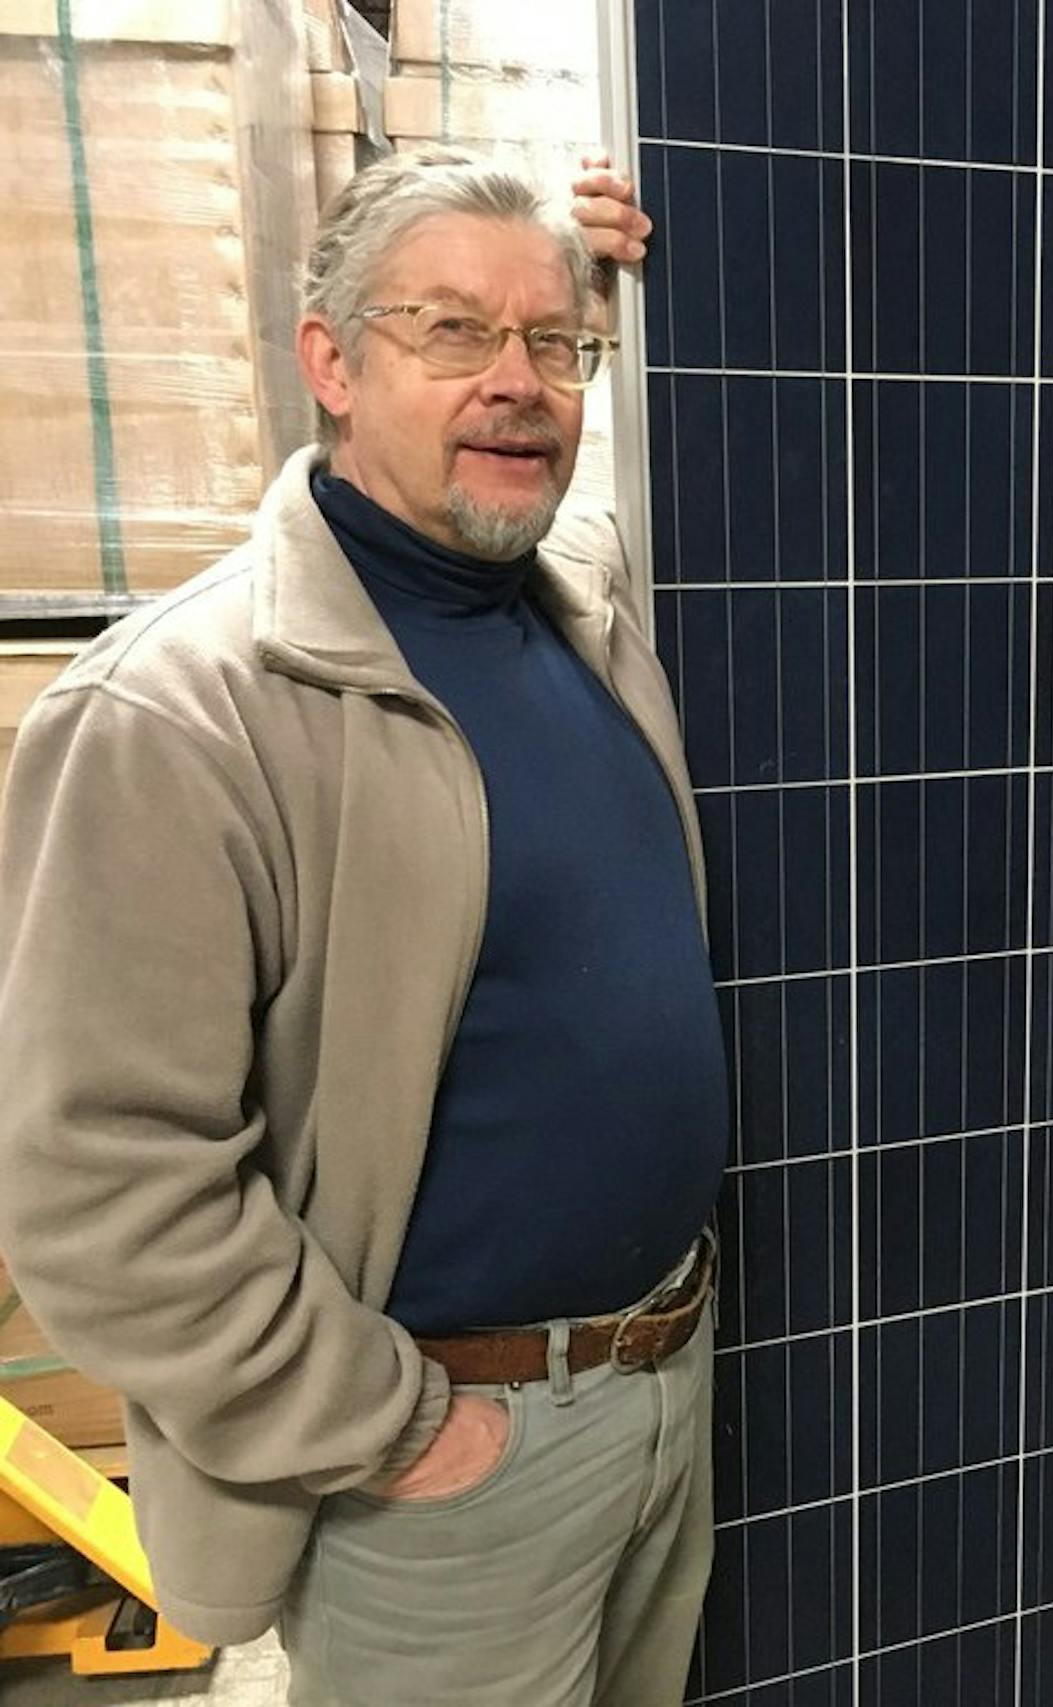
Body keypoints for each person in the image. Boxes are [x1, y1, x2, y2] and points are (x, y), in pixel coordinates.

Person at [0, 148, 720, 1706]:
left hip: (669, 1394)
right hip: (443, 1471)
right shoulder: (174, 715)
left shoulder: (585, 616)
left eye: (552, 343)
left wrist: (693, 257)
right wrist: (395, 1429)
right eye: (451, 332)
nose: (516, 383)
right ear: (329, 361)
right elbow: (98, 1191)